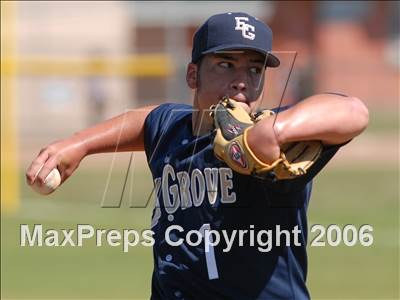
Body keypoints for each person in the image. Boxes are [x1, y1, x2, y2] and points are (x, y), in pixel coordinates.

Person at [26, 12, 369, 300]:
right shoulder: (170, 128)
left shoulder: (272, 142)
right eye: (225, 64)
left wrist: (278, 130)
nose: (241, 82)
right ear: (193, 74)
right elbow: (145, 120)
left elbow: (353, 111)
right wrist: (79, 144)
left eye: (254, 69)